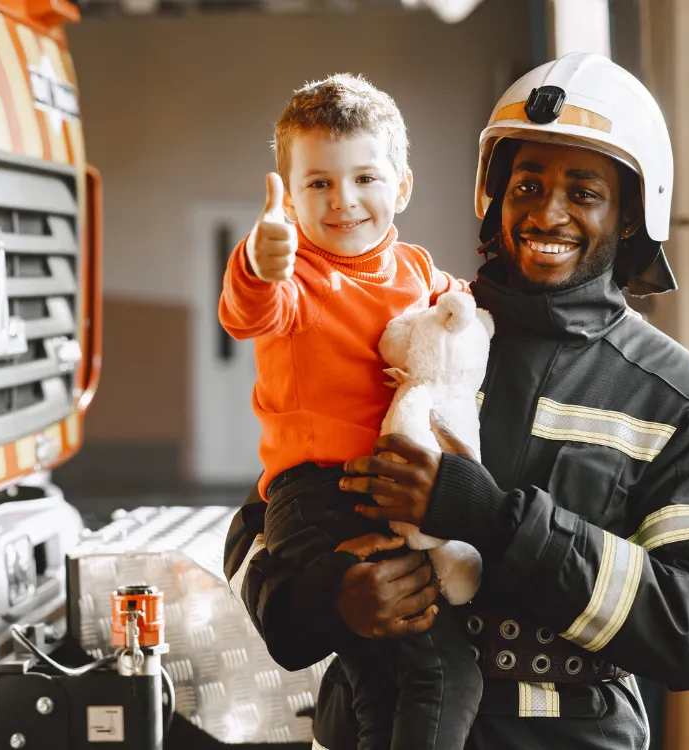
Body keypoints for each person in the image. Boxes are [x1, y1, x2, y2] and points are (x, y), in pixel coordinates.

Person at [225, 53, 689, 750]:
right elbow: (265, 517)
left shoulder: (682, 400)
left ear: (630, 216)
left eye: (584, 193)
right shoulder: (423, 330)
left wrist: (496, 522)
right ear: (494, 196)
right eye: (526, 184)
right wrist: (322, 602)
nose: (548, 212)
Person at [217, 74, 482, 750]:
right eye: (318, 184)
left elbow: (478, 318)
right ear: (291, 194)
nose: (344, 202)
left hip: (387, 492)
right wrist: (258, 259)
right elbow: (250, 310)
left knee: (383, 685)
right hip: (320, 498)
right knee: (444, 674)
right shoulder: (296, 278)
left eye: (364, 178)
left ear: (403, 186)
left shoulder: (418, 271)